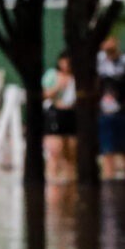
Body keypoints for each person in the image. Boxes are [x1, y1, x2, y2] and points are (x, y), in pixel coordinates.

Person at [95, 36, 125, 181]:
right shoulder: (98, 62)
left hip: (124, 111)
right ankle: (109, 180)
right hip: (104, 112)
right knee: (107, 151)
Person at [40, 52, 77, 181]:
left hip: (72, 115)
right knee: (55, 152)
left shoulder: (76, 77)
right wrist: (58, 86)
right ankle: (52, 180)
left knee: (71, 153)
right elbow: (44, 94)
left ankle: (70, 182)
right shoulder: (53, 75)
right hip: (55, 114)